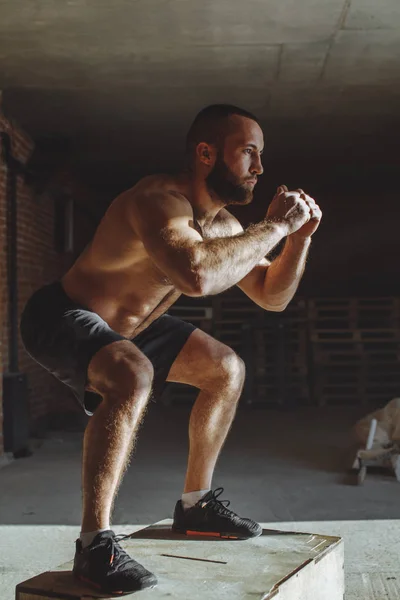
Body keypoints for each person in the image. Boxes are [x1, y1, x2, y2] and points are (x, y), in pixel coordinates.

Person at [20, 104, 322, 594]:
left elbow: (272, 296)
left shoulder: (222, 225)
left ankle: (195, 505)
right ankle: (94, 545)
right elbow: (197, 275)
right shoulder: (157, 200)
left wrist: (298, 241)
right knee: (132, 374)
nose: (259, 169)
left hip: (133, 329)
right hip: (61, 315)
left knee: (226, 368)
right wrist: (275, 228)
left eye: (261, 156)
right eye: (248, 152)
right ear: (206, 153)